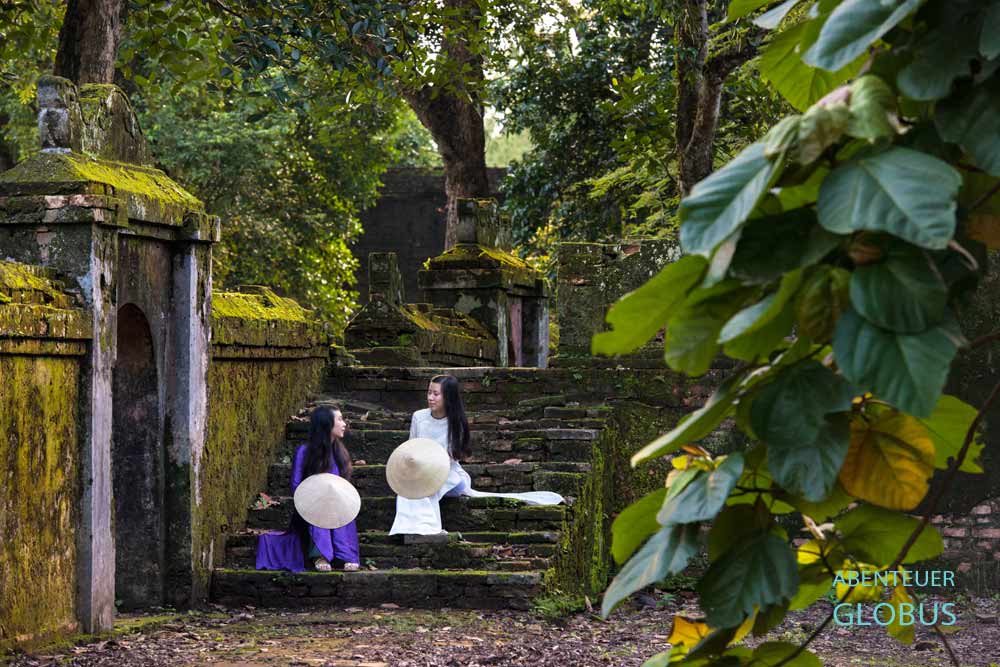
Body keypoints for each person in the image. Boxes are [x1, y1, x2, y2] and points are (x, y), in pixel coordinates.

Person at [389, 374, 563, 536]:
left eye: (436, 394)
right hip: (419, 470)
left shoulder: (455, 421)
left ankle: (428, 528)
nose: (430, 398)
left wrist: (430, 469)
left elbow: (453, 455)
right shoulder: (419, 417)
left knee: (430, 487)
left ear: (448, 397)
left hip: (448, 472)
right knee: (408, 489)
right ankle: (408, 527)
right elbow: (412, 447)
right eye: (429, 393)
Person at [256, 406, 361, 572]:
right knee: (320, 514)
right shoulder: (305, 451)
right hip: (310, 507)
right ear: (326, 424)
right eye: (339, 419)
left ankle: (344, 556)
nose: (344, 424)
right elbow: (296, 485)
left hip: (335, 506)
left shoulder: (340, 452)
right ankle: (320, 555)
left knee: (344, 511)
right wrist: (314, 501)